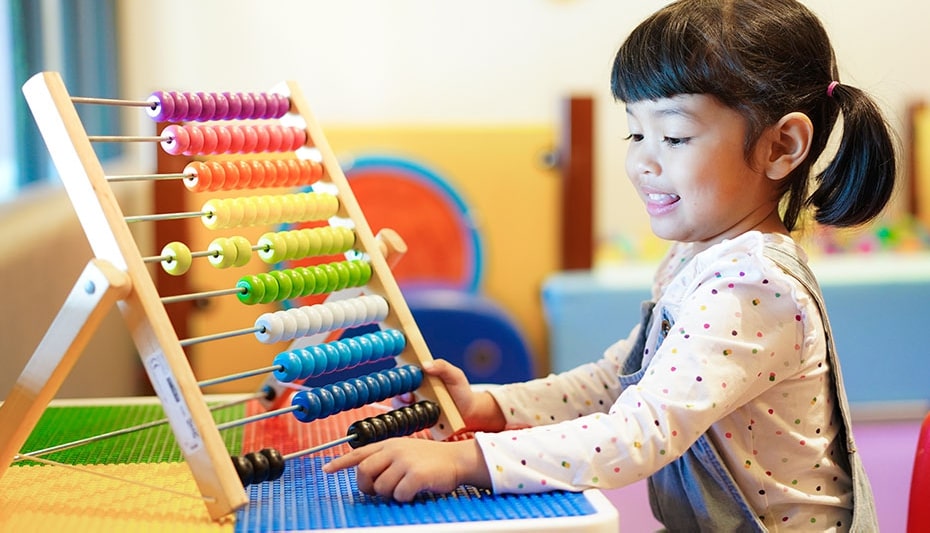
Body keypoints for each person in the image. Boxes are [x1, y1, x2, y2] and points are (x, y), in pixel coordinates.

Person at [324, 0, 897, 530]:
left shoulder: (755, 285)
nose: (641, 161)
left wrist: (467, 460)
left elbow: (637, 432)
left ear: (781, 147)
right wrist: (492, 406)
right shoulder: (696, 258)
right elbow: (615, 380)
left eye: (673, 135)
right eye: (635, 131)